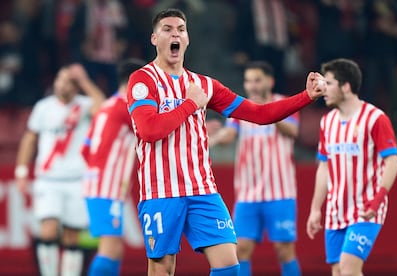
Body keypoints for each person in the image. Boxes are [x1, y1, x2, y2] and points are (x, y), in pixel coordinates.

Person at [126, 8, 325, 276]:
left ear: (187, 39)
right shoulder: (143, 80)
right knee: (162, 269)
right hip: (161, 191)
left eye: (180, 30)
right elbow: (149, 130)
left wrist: (306, 96)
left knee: (229, 265)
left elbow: (259, 113)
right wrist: (190, 104)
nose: (175, 34)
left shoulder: (205, 85)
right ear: (154, 38)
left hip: (202, 189)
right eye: (167, 29)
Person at [306, 58, 397, 276]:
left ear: (346, 86)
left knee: (349, 268)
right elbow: (324, 167)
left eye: (328, 83)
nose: (322, 89)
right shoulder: (327, 122)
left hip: (366, 208)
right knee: (338, 271)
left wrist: (378, 200)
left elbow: (392, 162)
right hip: (335, 210)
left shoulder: (375, 118)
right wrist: (314, 209)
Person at [208, 61, 301, 276]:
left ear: (270, 81)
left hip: (280, 192)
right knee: (240, 250)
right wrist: (212, 140)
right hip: (248, 194)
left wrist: (269, 113)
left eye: (257, 80)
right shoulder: (243, 108)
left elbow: (293, 132)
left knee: (284, 250)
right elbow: (229, 134)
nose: (252, 86)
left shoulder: (284, 104)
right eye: (248, 81)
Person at [14, 63, 105, 276]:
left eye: (69, 81)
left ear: (76, 87)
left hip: (77, 179)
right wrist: (21, 171)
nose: (63, 85)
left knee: (72, 235)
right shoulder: (43, 107)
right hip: (49, 179)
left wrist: (84, 81)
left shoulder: (84, 105)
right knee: (48, 229)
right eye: (60, 79)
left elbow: (103, 109)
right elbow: (29, 139)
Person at [81, 58, 145, 276]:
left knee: (115, 250)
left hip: (101, 186)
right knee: (109, 250)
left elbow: (85, 147)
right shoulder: (127, 109)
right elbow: (155, 131)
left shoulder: (107, 106)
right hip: (106, 188)